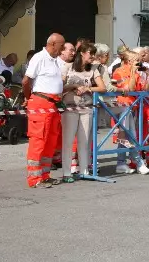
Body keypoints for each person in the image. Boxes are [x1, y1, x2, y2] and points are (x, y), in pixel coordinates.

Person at [22, 33, 65, 188]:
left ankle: (45, 175)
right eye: (61, 45)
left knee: (50, 141)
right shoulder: (39, 57)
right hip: (41, 103)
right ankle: (34, 179)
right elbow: (26, 81)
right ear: (52, 44)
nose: (62, 49)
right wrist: (29, 98)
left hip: (53, 104)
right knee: (38, 140)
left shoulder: (55, 60)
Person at [61, 43, 105, 181]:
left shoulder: (93, 69)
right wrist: (74, 86)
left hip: (87, 108)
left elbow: (102, 87)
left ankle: (84, 170)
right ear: (82, 53)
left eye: (94, 53)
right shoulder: (68, 67)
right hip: (70, 108)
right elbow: (60, 86)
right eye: (90, 53)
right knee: (68, 141)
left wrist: (88, 88)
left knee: (84, 141)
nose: (93, 56)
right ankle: (67, 172)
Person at [112, 51, 149, 175]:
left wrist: (148, 76)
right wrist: (133, 74)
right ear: (129, 61)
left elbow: (145, 89)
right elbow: (130, 89)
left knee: (125, 137)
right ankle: (139, 163)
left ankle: (121, 163)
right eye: (136, 60)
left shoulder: (137, 73)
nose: (139, 63)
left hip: (132, 107)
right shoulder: (118, 72)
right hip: (122, 107)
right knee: (131, 135)